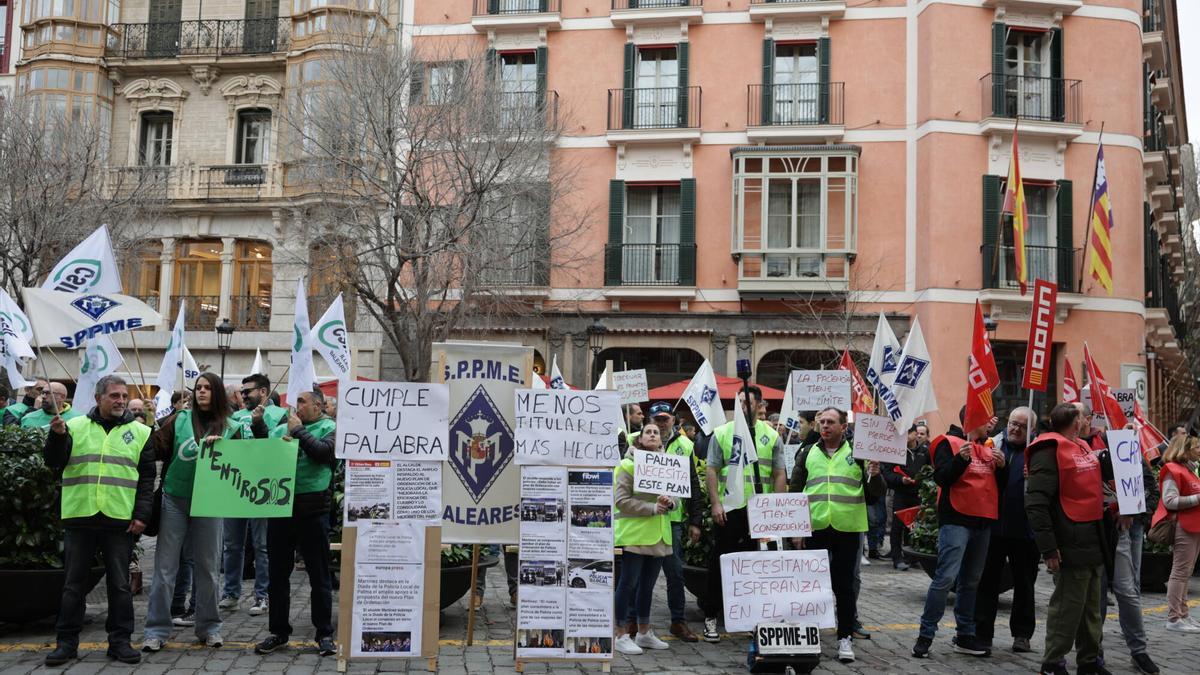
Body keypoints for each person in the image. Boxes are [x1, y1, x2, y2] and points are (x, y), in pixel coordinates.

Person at [41, 375, 156, 666]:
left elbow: (146, 478)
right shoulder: (74, 426)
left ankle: (120, 642)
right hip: (80, 516)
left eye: (122, 396)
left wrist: (142, 514)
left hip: (119, 518)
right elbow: (54, 462)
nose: (119, 401)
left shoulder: (140, 432)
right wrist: (56, 437)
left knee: (119, 586)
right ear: (98, 399)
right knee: (73, 586)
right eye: (113, 396)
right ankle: (66, 643)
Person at [143, 372, 242, 652]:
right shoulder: (179, 419)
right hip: (175, 498)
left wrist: (224, 447)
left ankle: (209, 627)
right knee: (164, 567)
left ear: (218, 392)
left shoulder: (231, 427)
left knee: (209, 568)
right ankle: (156, 630)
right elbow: (157, 449)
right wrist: (150, 422)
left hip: (211, 502)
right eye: (198, 387)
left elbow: (246, 460)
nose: (201, 392)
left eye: (208, 388)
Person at [791, 406, 883, 663]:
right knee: (811, 586)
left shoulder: (859, 453)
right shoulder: (807, 452)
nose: (825, 426)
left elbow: (876, 494)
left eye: (831, 422)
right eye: (822, 422)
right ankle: (810, 635)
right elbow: (795, 492)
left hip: (848, 528)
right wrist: (796, 531)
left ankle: (845, 638)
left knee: (844, 586)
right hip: (815, 528)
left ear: (844, 426)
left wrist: (875, 475)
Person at [912, 407, 1004, 660]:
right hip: (957, 520)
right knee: (945, 579)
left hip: (983, 522)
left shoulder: (988, 447)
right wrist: (961, 459)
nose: (992, 423)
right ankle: (925, 635)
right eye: (987, 419)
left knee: (971, 582)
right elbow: (942, 478)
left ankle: (965, 636)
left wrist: (1002, 466)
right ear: (971, 419)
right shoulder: (948, 443)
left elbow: (996, 486)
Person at [1025, 403, 1110, 675]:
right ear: (1076, 423)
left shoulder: (1082, 447)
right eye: (1084, 417)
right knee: (1067, 609)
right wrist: (1049, 548)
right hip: (1068, 540)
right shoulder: (1047, 450)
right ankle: (1053, 663)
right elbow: (1036, 504)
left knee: (1091, 609)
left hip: (1091, 539)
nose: (1087, 420)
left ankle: (1089, 661)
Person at [253, 387, 339, 657]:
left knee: (319, 575)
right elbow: (265, 450)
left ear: (318, 405)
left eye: (302, 401)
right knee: (278, 575)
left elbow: (324, 454)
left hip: (313, 512)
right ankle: (278, 632)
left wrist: (299, 431)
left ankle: (324, 633)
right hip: (281, 508)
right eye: (296, 401)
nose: (296, 406)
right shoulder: (284, 427)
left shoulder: (330, 427)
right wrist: (257, 425)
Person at [701, 386, 786, 643]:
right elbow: (712, 470)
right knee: (720, 562)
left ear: (760, 406)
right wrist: (715, 504)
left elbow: (779, 474)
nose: (742, 407)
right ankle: (711, 616)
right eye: (738, 402)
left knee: (759, 567)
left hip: (760, 512)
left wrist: (775, 510)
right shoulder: (723, 433)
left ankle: (755, 617)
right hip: (729, 509)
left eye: (747, 403)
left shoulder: (771, 437)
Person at [624, 402, 702, 643]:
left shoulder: (686, 445)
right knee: (636, 577)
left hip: (672, 521)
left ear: (673, 420)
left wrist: (696, 520)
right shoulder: (632, 440)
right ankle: (632, 622)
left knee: (675, 574)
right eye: (657, 419)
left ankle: (678, 621)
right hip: (643, 519)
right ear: (650, 420)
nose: (661, 423)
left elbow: (692, 484)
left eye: (665, 419)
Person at [974, 407, 1040, 654]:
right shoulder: (993, 444)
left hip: (1025, 530)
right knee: (987, 582)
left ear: (1032, 430)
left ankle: (1022, 634)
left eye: (1022, 426)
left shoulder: (1038, 451)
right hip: (992, 527)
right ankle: (982, 634)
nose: (1015, 429)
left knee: (1025, 585)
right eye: (1013, 423)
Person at [1096, 425, 1160, 674]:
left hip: (1121, 532)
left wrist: (1132, 510)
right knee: (1097, 595)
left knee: (1127, 591)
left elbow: (1148, 488)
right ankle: (1094, 651)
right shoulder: (1078, 446)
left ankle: (1139, 650)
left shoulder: (1125, 446)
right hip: (1091, 533)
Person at [613, 424, 675, 655]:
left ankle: (643, 632)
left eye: (656, 432)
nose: (652, 434)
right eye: (647, 431)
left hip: (660, 535)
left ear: (661, 440)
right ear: (639, 439)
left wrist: (671, 503)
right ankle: (620, 633)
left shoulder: (669, 465)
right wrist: (652, 507)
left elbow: (678, 498)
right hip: (634, 535)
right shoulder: (628, 465)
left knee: (648, 587)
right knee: (628, 584)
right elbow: (620, 501)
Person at [1151, 434, 1200, 634]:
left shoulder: (1189, 470)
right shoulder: (1173, 470)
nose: (1199, 451)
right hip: (1184, 527)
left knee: (1185, 573)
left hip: (1193, 527)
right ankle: (1174, 617)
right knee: (1180, 572)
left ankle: (1183, 614)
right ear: (1185, 450)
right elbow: (1170, 501)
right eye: (1197, 447)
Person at [884, 424, 928, 571]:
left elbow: (930, 471)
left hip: (918, 495)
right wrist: (900, 480)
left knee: (914, 527)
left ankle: (912, 557)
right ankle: (897, 557)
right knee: (897, 527)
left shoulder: (925, 452)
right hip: (901, 495)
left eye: (909, 432)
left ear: (916, 434)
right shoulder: (895, 451)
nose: (906, 436)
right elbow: (888, 474)